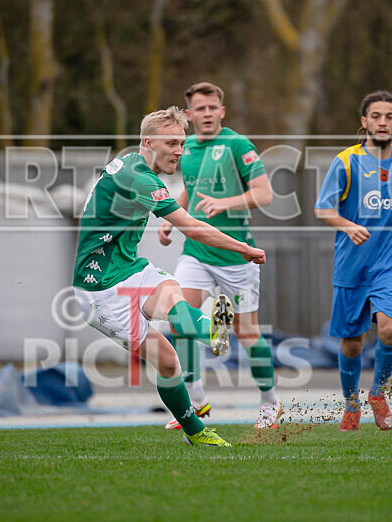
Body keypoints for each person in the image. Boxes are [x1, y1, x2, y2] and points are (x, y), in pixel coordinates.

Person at [73, 106, 265, 447]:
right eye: (173, 143)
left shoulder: (134, 165)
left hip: (130, 270)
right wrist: (243, 249)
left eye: (183, 142)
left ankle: (210, 330)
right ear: (149, 142)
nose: (180, 150)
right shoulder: (139, 178)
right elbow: (191, 227)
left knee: (172, 293)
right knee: (168, 362)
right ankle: (196, 430)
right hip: (99, 290)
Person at [157, 82, 280, 430]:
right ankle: (196, 404)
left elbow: (265, 194)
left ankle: (271, 404)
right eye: (200, 108)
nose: (207, 114)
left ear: (221, 112)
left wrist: (225, 203)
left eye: (212, 108)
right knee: (179, 321)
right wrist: (170, 220)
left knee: (247, 334)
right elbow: (191, 191)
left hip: (236, 256)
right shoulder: (187, 147)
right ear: (190, 114)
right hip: (195, 252)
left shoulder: (237, 144)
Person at [314, 90, 392, 431]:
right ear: (364, 122)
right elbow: (323, 209)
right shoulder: (346, 161)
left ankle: (378, 394)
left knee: (389, 328)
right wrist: (348, 225)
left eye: (389, 117)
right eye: (376, 116)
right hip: (352, 264)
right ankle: (351, 403)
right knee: (352, 342)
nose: (382, 122)